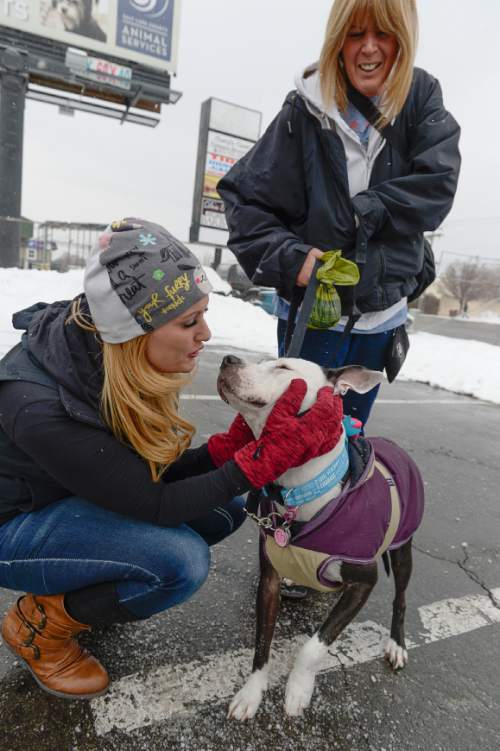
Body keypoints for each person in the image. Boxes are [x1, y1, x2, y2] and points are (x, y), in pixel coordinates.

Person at [0, 218, 342, 699]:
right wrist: (256, 461)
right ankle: (38, 624)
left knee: (224, 507)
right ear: (134, 330)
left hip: (69, 492)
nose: (206, 333)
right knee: (180, 562)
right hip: (14, 523)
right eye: (188, 322)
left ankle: (92, 592)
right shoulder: (39, 407)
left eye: (203, 314)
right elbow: (155, 502)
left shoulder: (106, 349)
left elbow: (140, 477)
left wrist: (228, 450)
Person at [218, 0, 461, 428]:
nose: (368, 48)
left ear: (403, 39)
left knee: (348, 441)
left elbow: (437, 184)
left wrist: (362, 214)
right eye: (355, 34)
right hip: (314, 318)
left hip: (382, 319)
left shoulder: (421, 98)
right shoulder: (303, 113)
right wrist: (293, 260)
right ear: (337, 42)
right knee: (290, 441)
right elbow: (242, 200)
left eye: (383, 33)